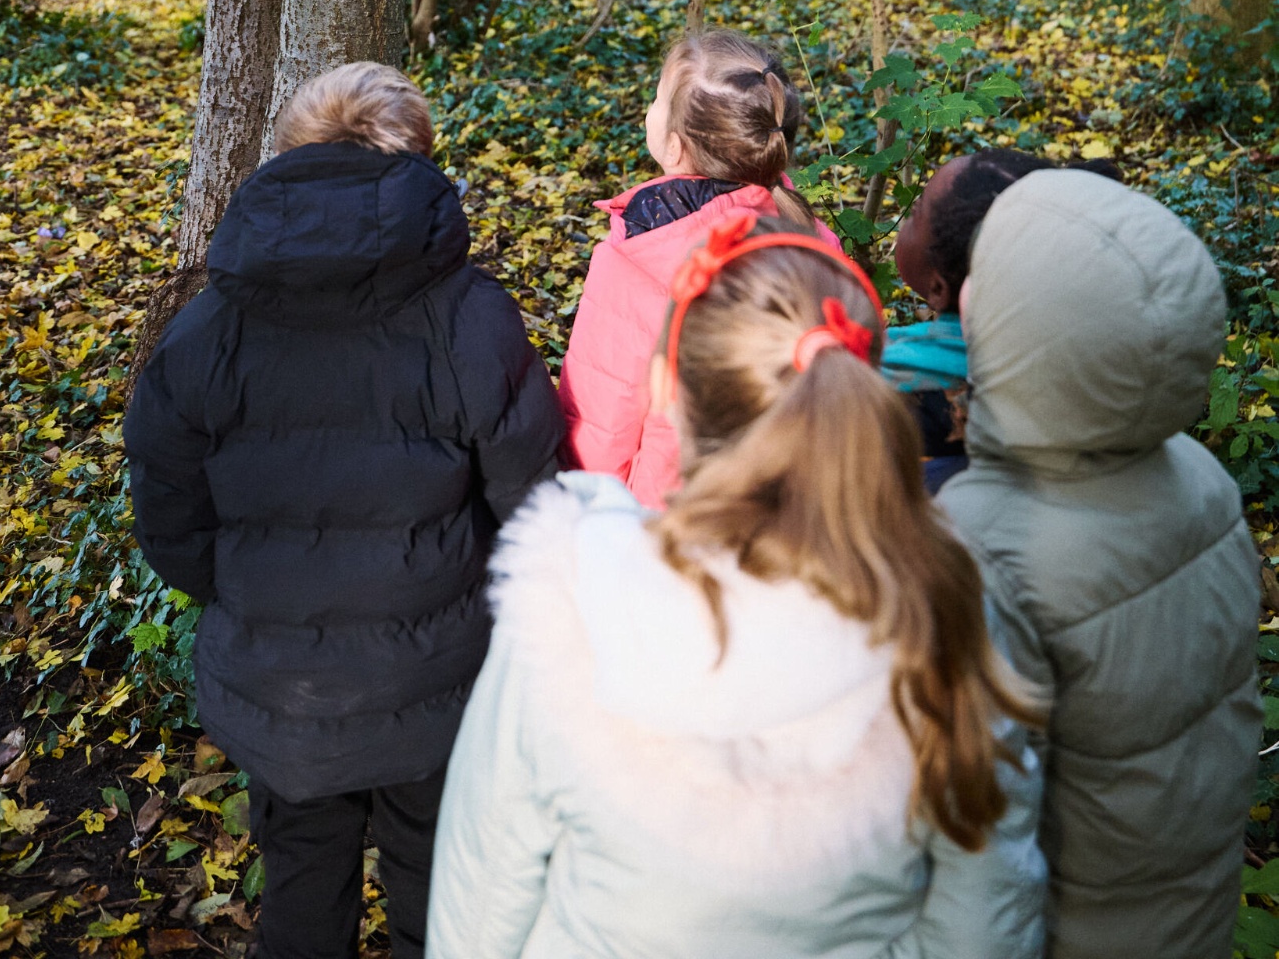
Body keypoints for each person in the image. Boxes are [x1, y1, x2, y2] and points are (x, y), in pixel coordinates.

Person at [426, 210, 1047, 959]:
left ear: (667, 388)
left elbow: (482, 900)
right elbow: (983, 927)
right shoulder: (949, 608)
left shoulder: (573, 603)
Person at [124, 62, 565, 959]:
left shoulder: (208, 327)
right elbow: (534, 504)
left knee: (300, 896)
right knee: (437, 902)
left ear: (286, 157)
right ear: (419, 160)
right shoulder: (469, 317)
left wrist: (248, 593)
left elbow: (168, 514)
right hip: (436, 679)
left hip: (281, 683)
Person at [940, 167, 1261, 959]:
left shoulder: (981, 543)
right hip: (1187, 914)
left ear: (1032, 326)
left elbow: (969, 838)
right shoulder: (1199, 476)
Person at [559, 28, 833, 507]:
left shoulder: (639, 256)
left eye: (659, 99)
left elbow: (602, 425)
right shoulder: (815, 240)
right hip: (787, 508)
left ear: (673, 147)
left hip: (666, 528)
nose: (650, 108)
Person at [889, 149, 1121, 491]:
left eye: (917, 210)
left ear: (938, 288)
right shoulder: (1091, 367)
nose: (907, 215)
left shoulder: (886, 377)